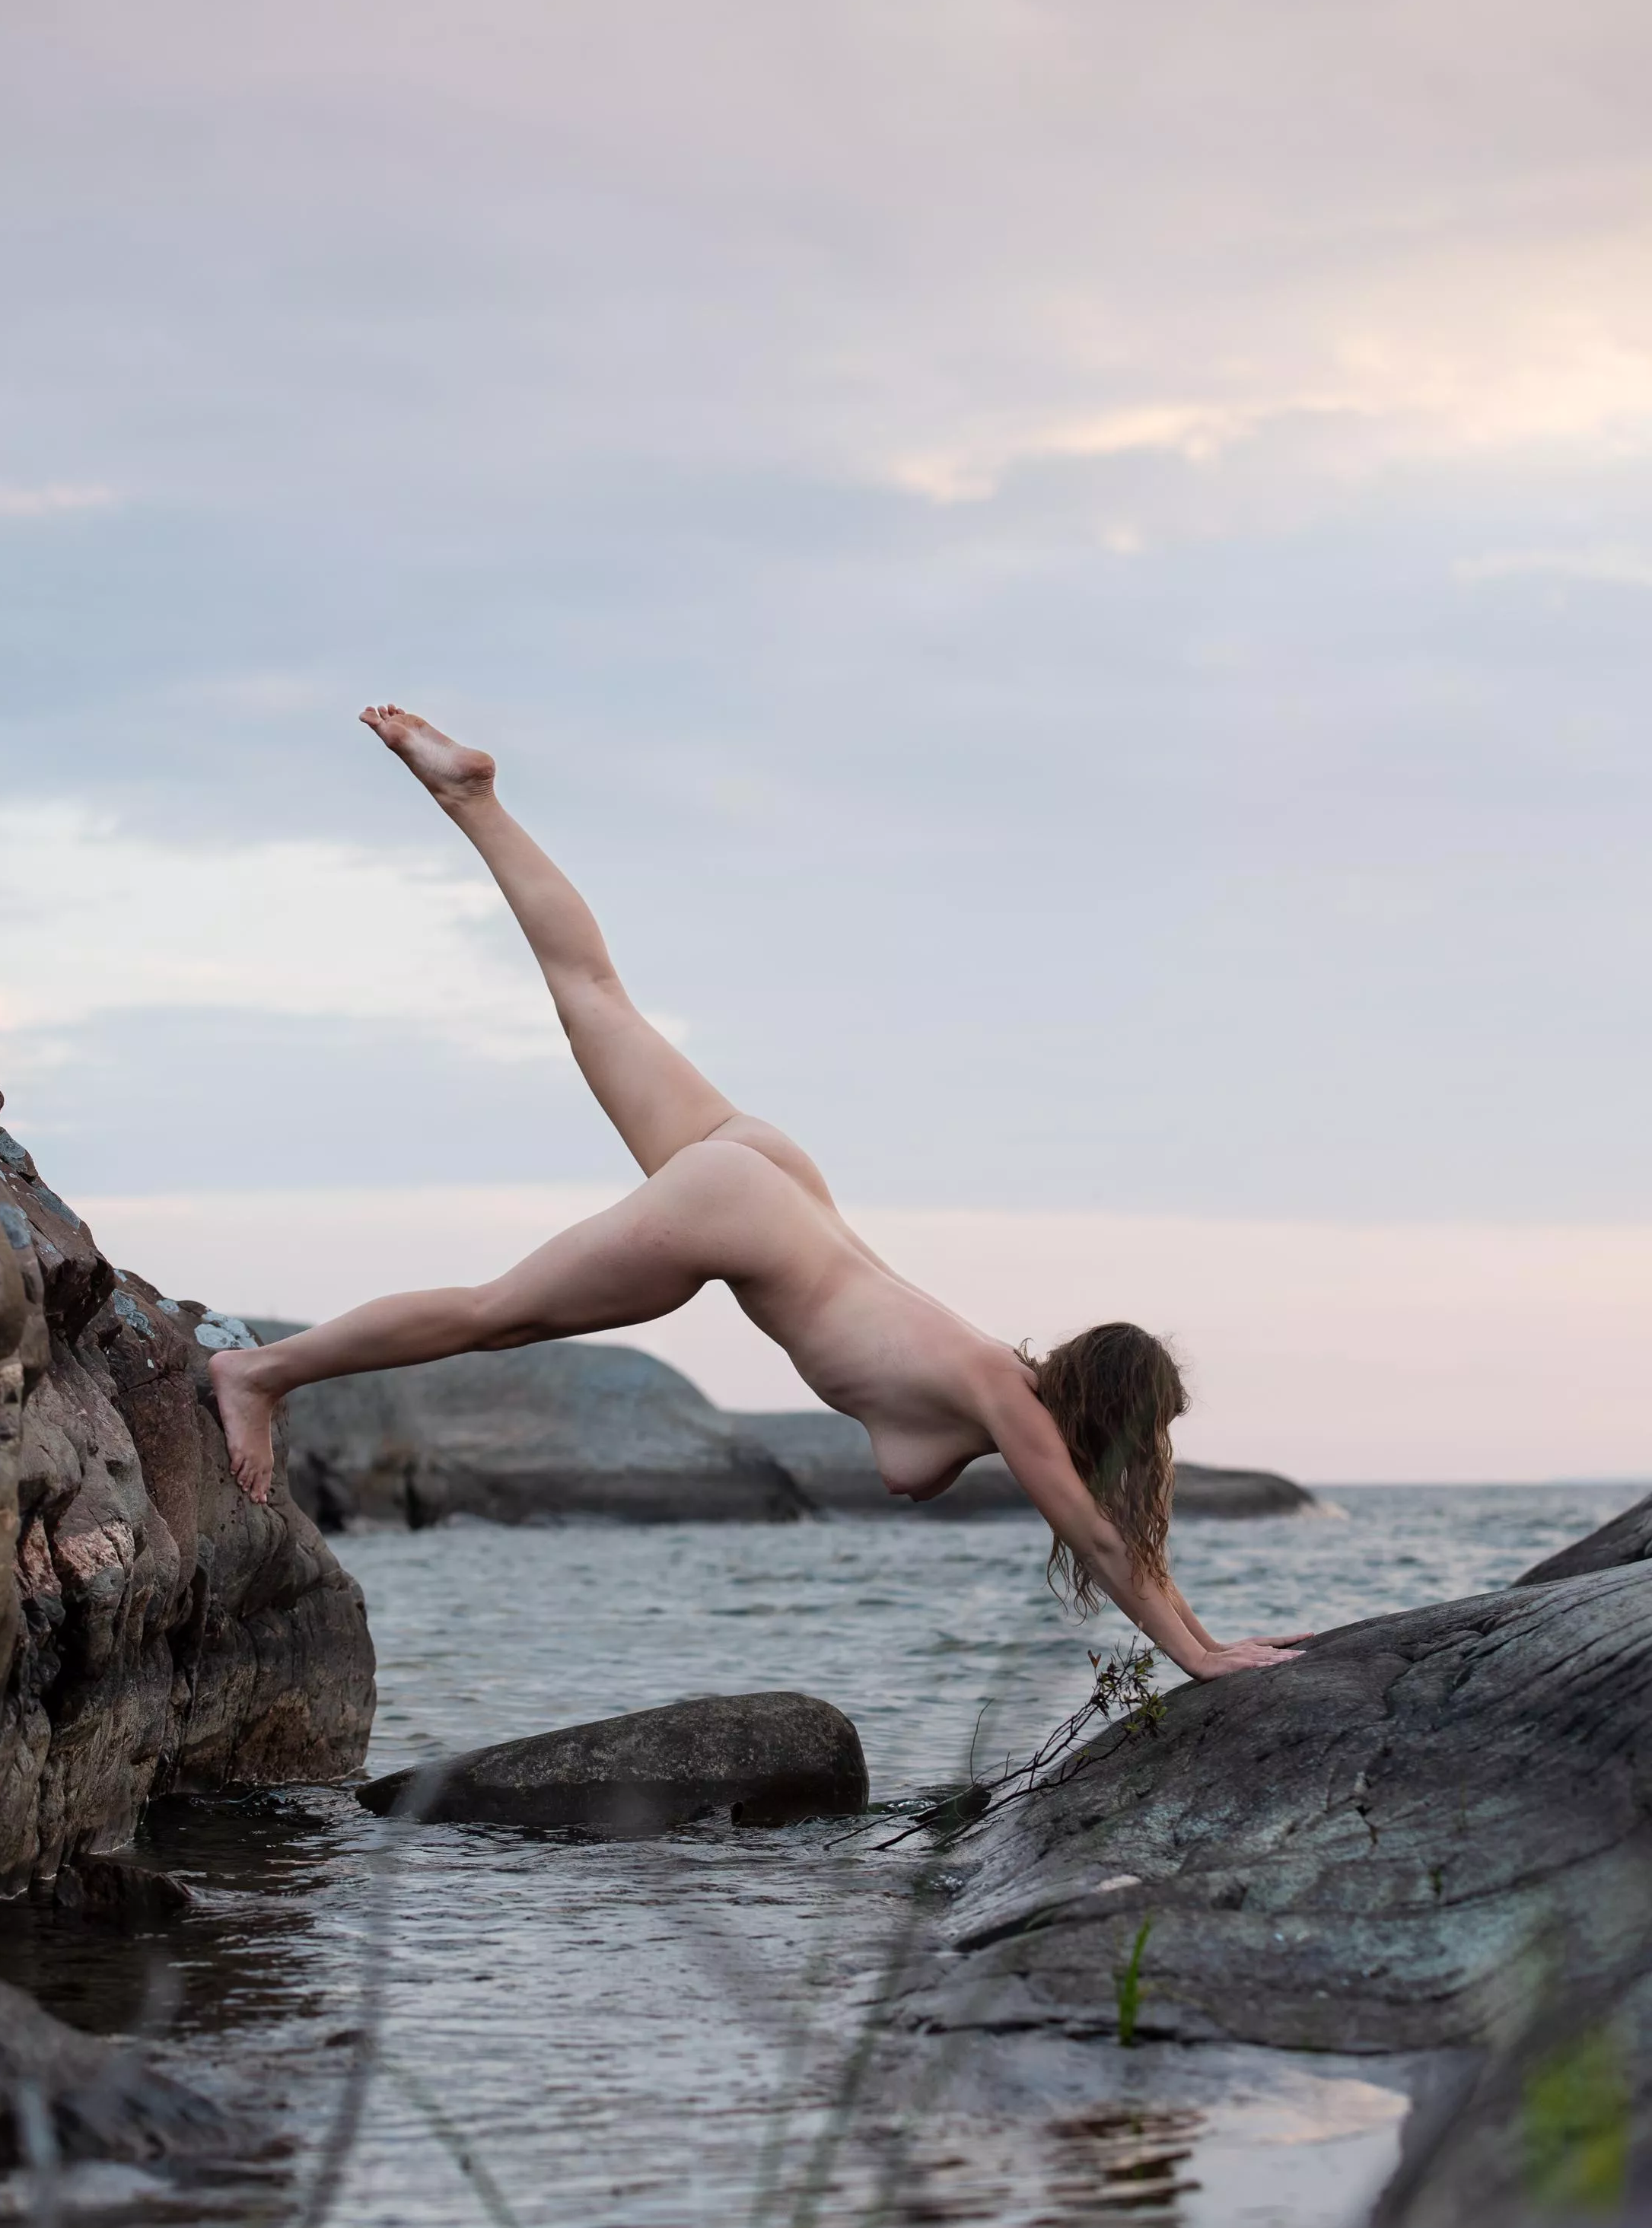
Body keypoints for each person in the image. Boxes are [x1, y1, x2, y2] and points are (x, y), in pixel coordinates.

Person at [210, 707, 1305, 1682]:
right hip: (747, 1208)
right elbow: (1108, 1545)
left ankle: (469, 795)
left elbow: (1127, 1539)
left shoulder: (1000, 1381)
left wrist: (1209, 1638)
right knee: (499, 1313)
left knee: (595, 989)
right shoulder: (1008, 1403)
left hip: (774, 1175)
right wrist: (1202, 1661)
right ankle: (260, 1370)